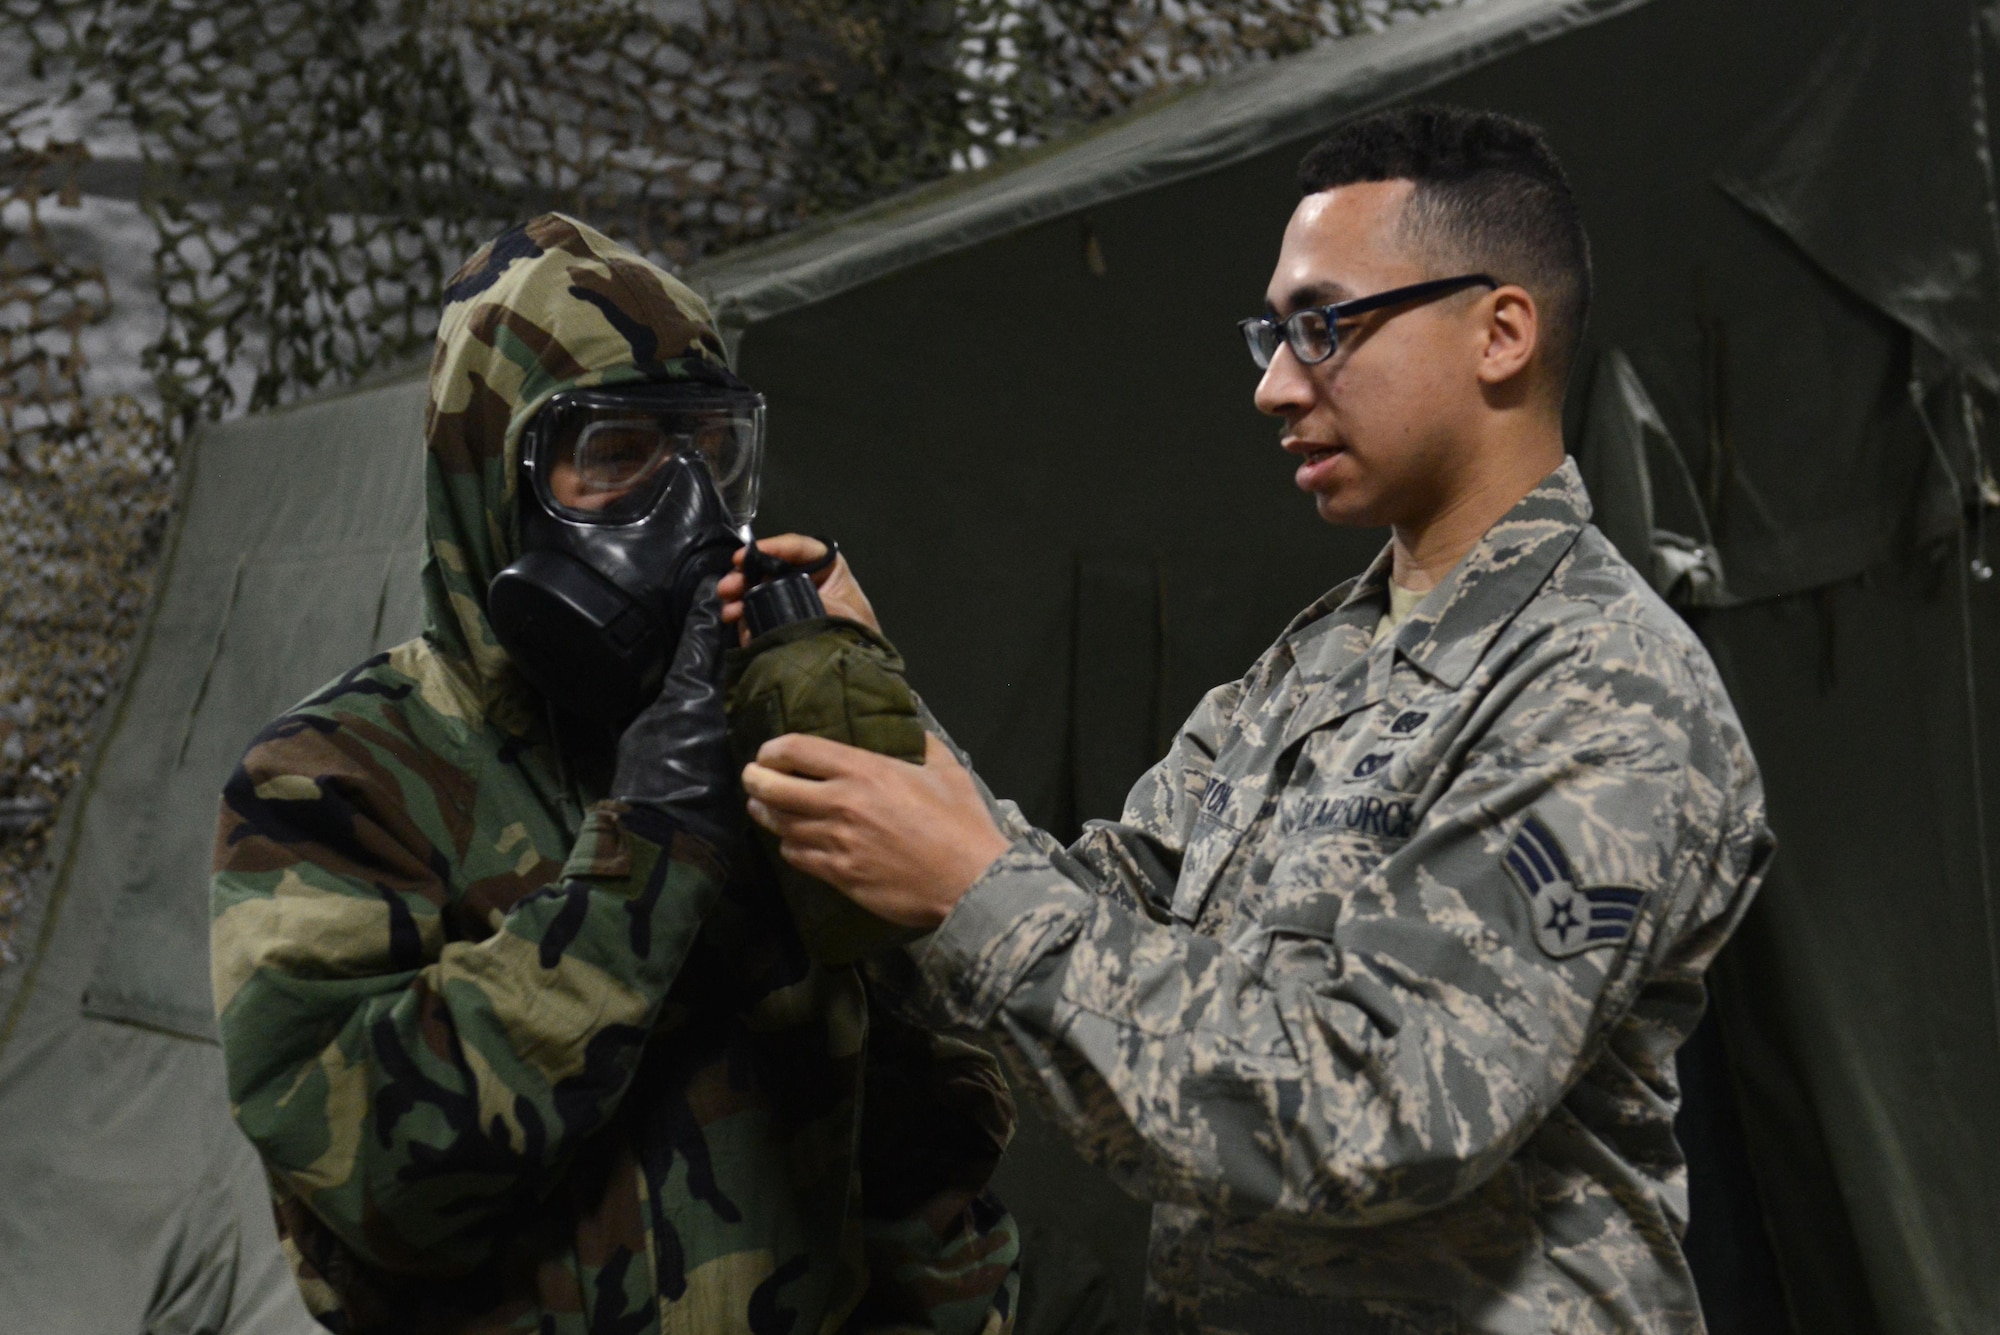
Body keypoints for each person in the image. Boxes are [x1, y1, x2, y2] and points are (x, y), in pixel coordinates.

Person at [729, 106, 1777, 1333]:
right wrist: (875, 706)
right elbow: (1102, 913)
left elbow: (1381, 1112)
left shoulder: (1604, 690)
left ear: (1498, 333)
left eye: (1321, 327)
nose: (1274, 386)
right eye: (1269, 334)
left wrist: (967, 887)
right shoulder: (1318, 660)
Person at [210, 213, 1020, 1335]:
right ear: (491, 479)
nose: (688, 514)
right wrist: (649, 849)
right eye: (617, 454)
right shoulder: (332, 780)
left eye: (709, 453)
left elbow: (920, 1143)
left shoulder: (770, 742)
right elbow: (378, 1182)